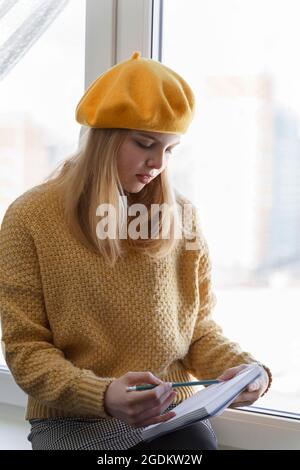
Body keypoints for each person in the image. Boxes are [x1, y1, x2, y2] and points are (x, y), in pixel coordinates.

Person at [0, 51, 271, 451]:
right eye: (145, 144)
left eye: (170, 150)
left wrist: (246, 371)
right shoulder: (30, 218)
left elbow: (198, 330)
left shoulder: (182, 217)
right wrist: (105, 395)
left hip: (171, 419)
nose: (157, 163)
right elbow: (26, 350)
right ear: (103, 138)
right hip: (74, 422)